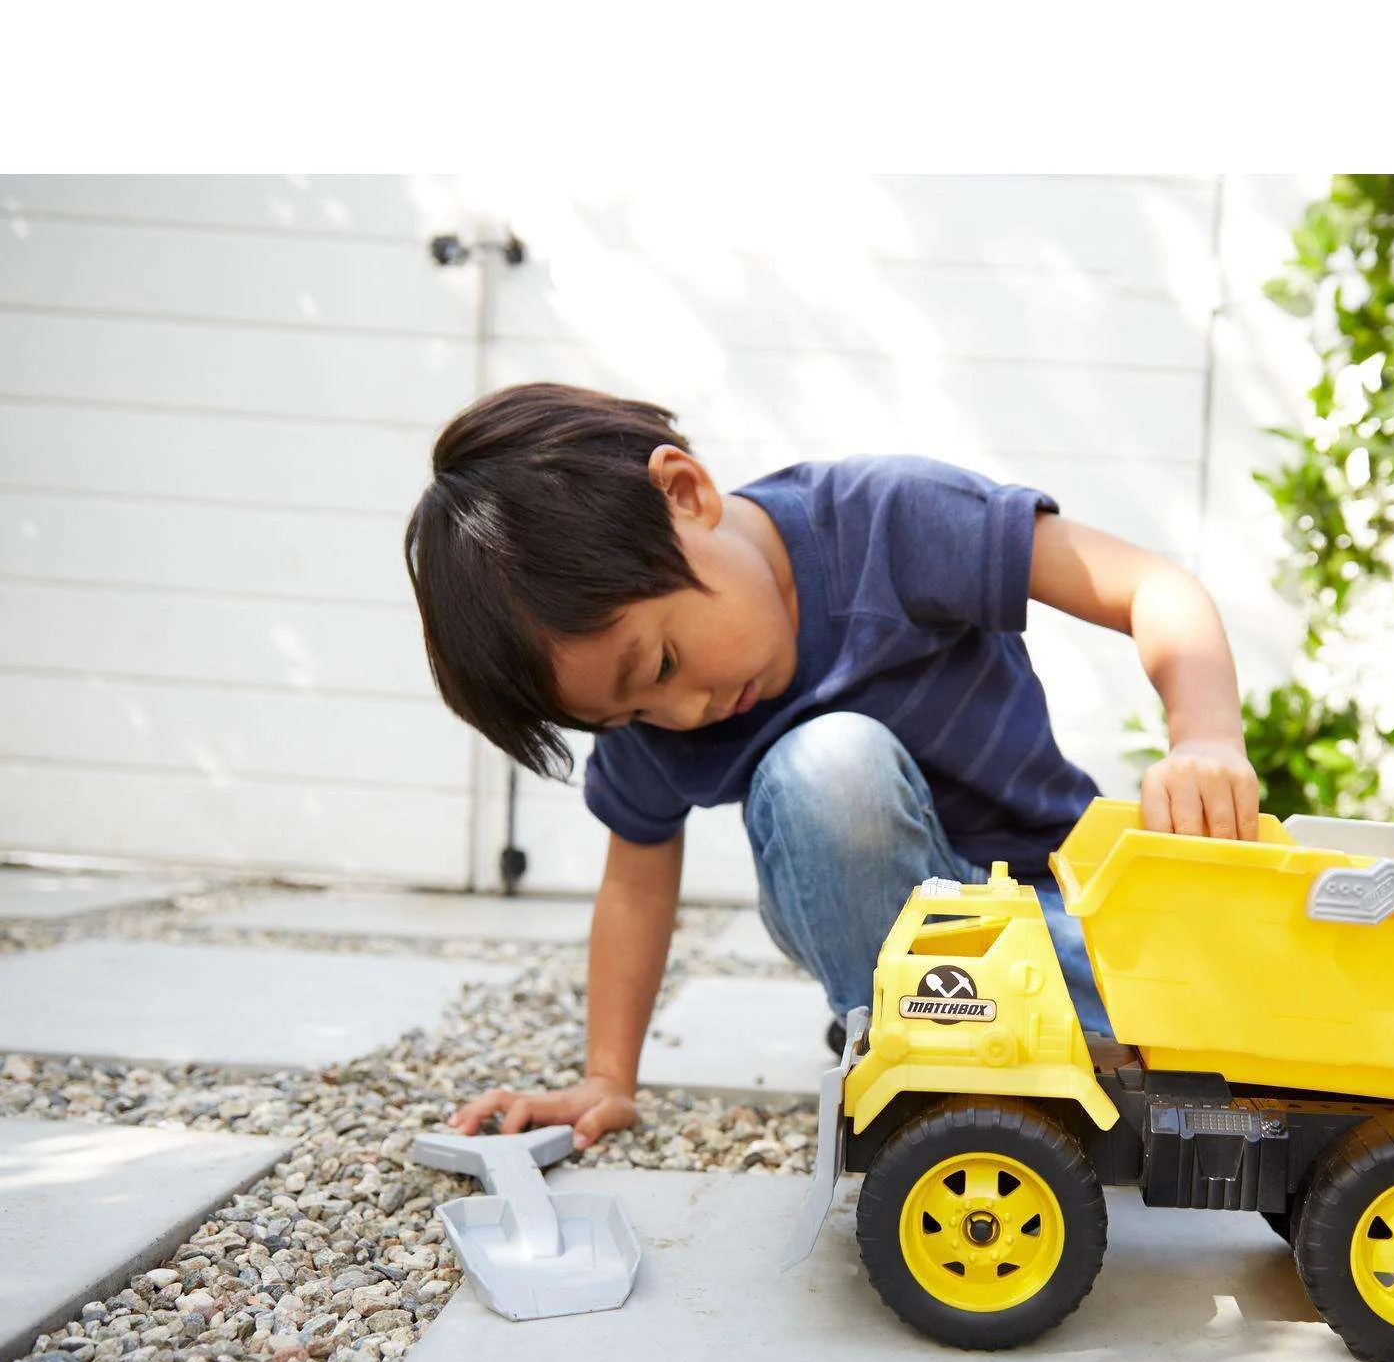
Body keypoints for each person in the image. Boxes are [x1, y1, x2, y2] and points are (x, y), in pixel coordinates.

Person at [405, 382, 1261, 1147]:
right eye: (625, 716)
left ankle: (987, 1031)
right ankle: (913, 1039)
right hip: (892, 934)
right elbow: (634, 879)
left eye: (660, 665)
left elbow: (1151, 587)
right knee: (827, 767)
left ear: (686, 495)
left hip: (1048, 901)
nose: (678, 715)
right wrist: (607, 1079)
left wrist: (1206, 737)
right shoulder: (656, 720)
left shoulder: (892, 520)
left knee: (1248, 1000)